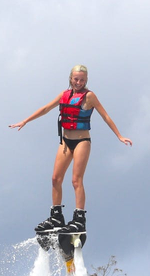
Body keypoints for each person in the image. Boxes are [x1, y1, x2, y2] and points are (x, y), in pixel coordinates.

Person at [10, 65, 132, 236]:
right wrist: (25, 121)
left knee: (76, 180)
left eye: (82, 79)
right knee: (55, 179)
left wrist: (119, 136)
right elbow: (45, 108)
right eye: (76, 79)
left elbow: (105, 116)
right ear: (70, 78)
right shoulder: (64, 95)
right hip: (65, 141)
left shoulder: (89, 96)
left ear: (86, 80)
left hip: (82, 141)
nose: (79, 82)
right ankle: (56, 217)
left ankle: (79, 219)